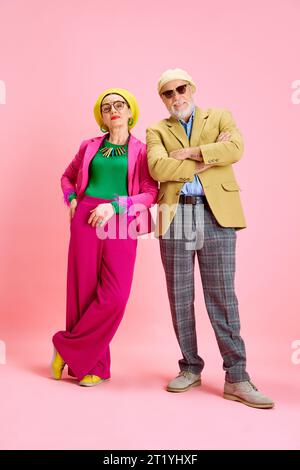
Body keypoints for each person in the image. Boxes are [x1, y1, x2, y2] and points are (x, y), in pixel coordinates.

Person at [146, 68, 274, 408]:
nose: (176, 97)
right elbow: (157, 168)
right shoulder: (156, 130)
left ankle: (237, 376)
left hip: (217, 213)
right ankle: (189, 366)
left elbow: (235, 148)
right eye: (168, 93)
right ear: (162, 99)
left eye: (181, 89)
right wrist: (207, 160)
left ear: (192, 88)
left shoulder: (220, 116)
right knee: (180, 295)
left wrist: (189, 154)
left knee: (222, 296)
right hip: (175, 215)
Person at [51, 88, 158, 386]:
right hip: (85, 217)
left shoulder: (142, 150)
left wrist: (115, 206)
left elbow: (151, 193)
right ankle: (92, 366)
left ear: (130, 111)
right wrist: (71, 198)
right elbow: (66, 176)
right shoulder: (89, 146)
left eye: (119, 105)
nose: (114, 110)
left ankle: (65, 348)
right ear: (102, 115)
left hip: (121, 222)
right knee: (82, 292)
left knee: (115, 296)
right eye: (107, 106)